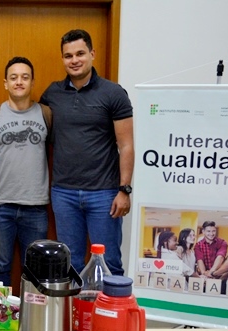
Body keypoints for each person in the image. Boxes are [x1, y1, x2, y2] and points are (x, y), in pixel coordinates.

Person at [40, 29, 134, 276]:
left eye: (80, 53)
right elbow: (28, 115)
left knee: (109, 264)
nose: (75, 60)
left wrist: (124, 190)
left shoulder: (113, 93)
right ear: (63, 59)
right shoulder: (53, 93)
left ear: (92, 54)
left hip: (103, 194)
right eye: (68, 55)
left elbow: (126, 145)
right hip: (64, 194)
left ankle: (108, 315)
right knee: (70, 266)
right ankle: (76, 316)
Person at [0, 56, 51, 287]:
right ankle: (1, 323)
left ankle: (31, 321)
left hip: (35, 207)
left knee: (35, 270)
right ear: (5, 83)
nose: (19, 82)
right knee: (0, 268)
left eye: (25, 77)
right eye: (13, 77)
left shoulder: (46, 114)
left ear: (32, 82)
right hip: (0, 206)